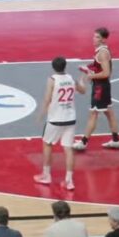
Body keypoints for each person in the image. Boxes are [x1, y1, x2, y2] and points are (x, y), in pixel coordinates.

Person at [34, 57, 86, 190]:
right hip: (70, 118)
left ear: (53, 67)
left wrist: (41, 114)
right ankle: (69, 181)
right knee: (68, 149)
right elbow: (83, 91)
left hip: (55, 118)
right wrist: (83, 77)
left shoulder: (52, 79)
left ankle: (46, 175)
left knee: (47, 144)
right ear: (65, 66)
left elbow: (47, 99)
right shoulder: (71, 78)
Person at [73, 27, 119, 151]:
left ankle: (83, 142)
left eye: (97, 37)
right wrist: (88, 68)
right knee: (109, 113)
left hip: (100, 88)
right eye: (94, 36)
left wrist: (91, 75)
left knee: (93, 114)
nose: (94, 39)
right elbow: (99, 68)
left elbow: (106, 73)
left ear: (104, 39)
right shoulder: (99, 51)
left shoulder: (102, 53)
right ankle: (116, 140)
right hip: (102, 86)